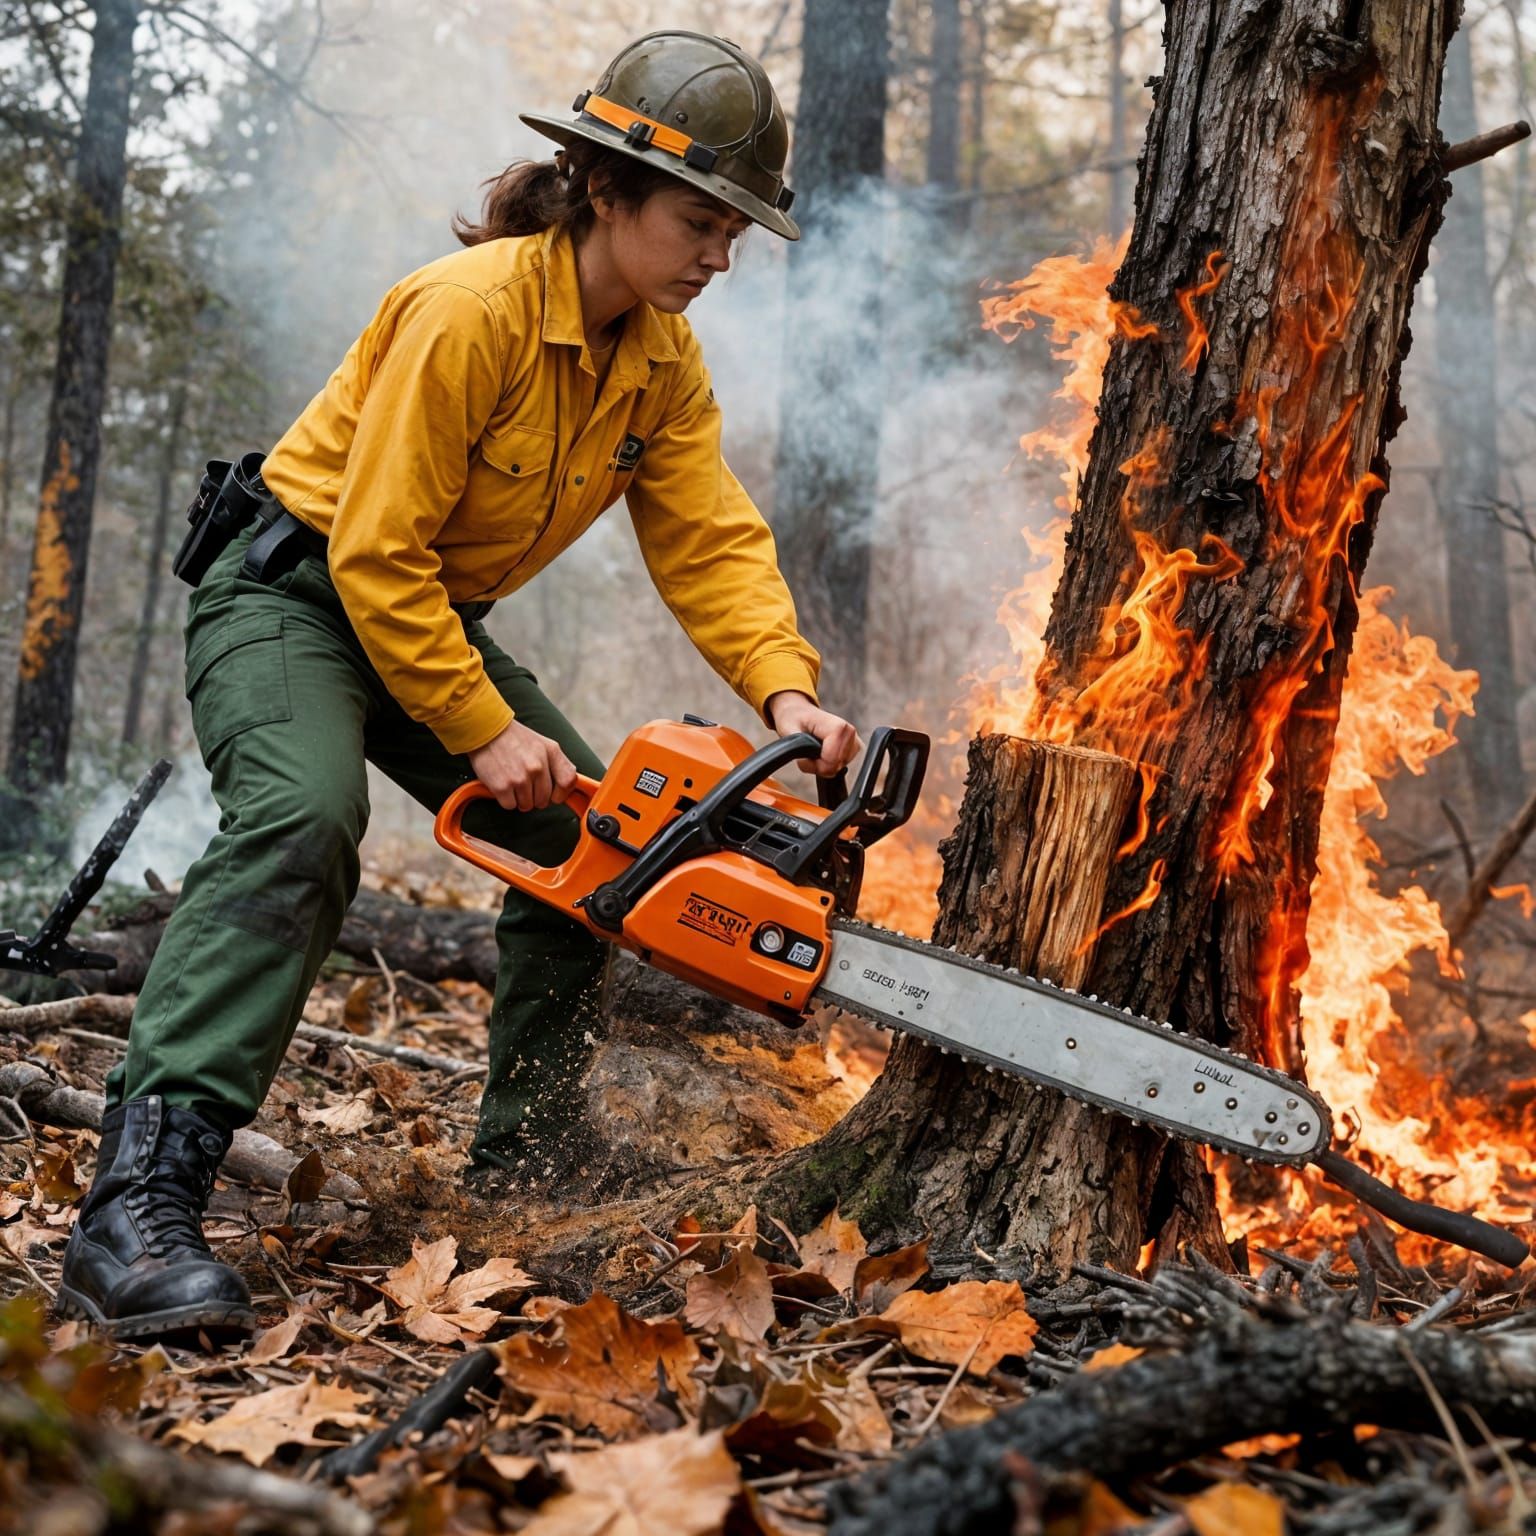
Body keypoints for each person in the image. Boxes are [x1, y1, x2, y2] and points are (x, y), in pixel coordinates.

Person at [58, 30, 860, 1342]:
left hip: (425, 618)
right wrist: (481, 731)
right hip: (295, 597)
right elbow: (372, 552)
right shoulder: (468, 309)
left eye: (738, 230)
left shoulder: (658, 359)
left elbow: (709, 534)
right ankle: (135, 1209)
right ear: (605, 187)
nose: (722, 254)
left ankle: (518, 1189)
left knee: (605, 855)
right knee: (303, 823)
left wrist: (785, 694)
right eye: (701, 221)